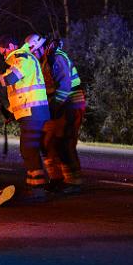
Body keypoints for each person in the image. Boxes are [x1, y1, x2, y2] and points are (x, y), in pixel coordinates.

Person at [0, 34, 50, 201]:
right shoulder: (20, 61)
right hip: (32, 111)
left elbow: (11, 78)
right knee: (29, 149)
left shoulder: (23, 58)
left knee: (28, 149)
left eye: (3, 52)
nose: (4, 56)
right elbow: (16, 90)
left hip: (33, 111)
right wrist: (9, 111)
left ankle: (38, 190)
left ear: (10, 46)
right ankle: (34, 186)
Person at [32, 37, 86, 194]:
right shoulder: (43, 61)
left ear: (40, 48)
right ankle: (56, 178)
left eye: (34, 52)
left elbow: (64, 86)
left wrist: (53, 108)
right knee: (46, 141)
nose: (33, 56)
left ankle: (73, 181)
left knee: (65, 141)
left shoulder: (56, 57)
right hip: (56, 104)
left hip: (70, 102)